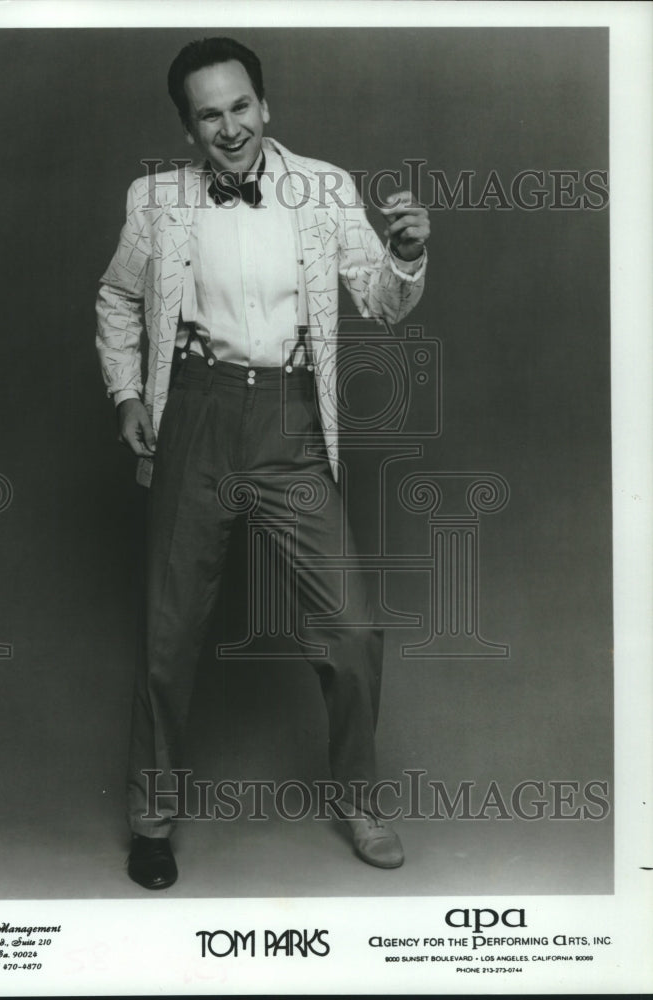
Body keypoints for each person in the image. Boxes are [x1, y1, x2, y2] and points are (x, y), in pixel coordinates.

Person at [96, 36, 430, 890]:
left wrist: (405, 254)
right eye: (209, 114)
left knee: (352, 628)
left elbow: (382, 304)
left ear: (265, 107)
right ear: (188, 128)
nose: (230, 126)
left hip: (290, 420)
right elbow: (119, 295)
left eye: (241, 106)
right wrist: (127, 393)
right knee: (170, 632)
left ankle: (358, 796)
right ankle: (152, 815)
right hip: (199, 414)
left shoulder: (322, 188)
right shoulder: (156, 200)